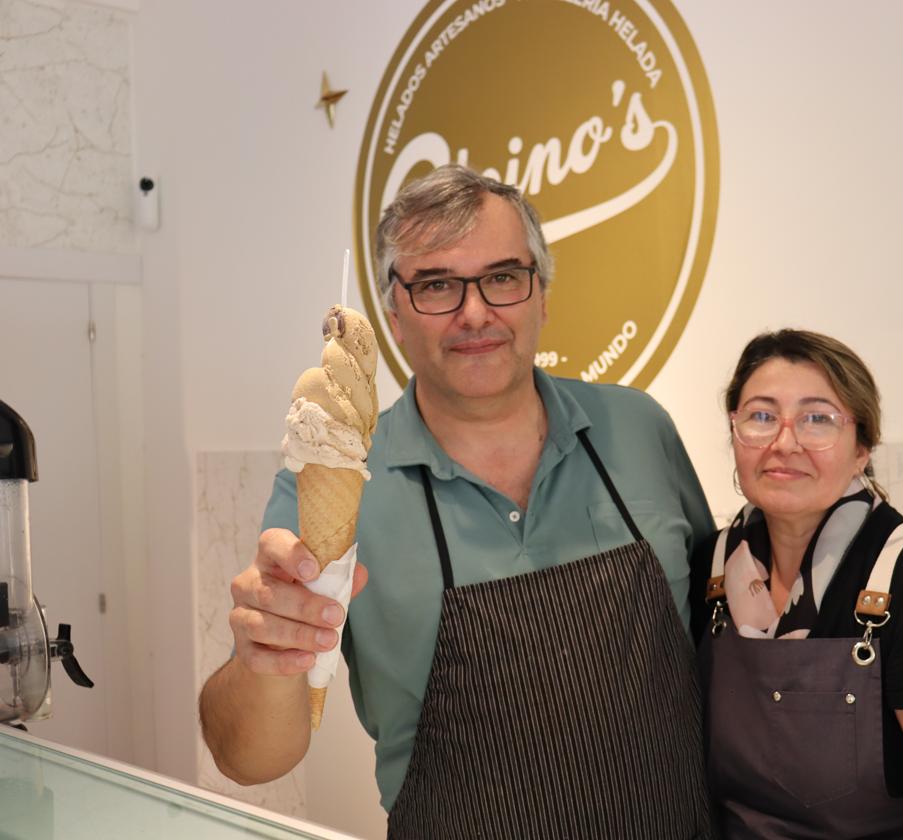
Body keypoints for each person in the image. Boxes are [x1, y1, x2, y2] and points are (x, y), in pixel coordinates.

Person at [199, 165, 715, 838]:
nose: (475, 312)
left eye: (502, 277)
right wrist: (264, 657)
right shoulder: (336, 479)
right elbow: (248, 760)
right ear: (394, 315)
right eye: (437, 285)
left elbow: (724, 640)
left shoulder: (639, 429)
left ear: (541, 296)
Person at [693, 329, 903, 839]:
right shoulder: (711, 568)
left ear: (862, 446)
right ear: (735, 433)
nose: (784, 442)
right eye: (761, 416)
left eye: (818, 419)